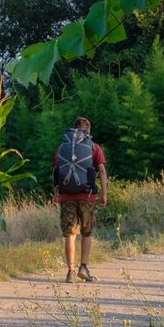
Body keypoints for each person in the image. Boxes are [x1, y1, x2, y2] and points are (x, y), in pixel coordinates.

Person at [53, 117, 108, 283]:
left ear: (73, 129)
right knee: (86, 232)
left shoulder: (62, 148)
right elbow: (102, 171)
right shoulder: (93, 147)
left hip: (66, 196)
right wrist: (104, 193)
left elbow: (56, 172)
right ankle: (83, 267)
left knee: (70, 234)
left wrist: (57, 192)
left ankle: (70, 272)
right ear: (88, 131)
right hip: (87, 196)